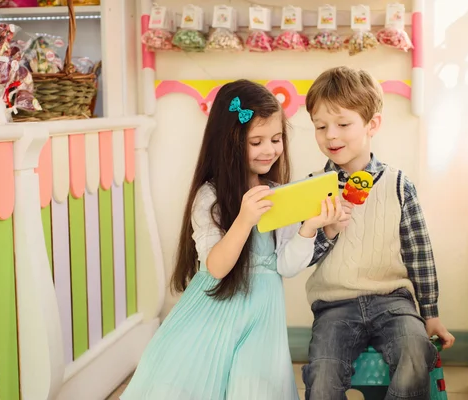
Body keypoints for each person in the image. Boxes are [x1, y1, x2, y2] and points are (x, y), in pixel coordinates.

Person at [121, 79, 345, 400]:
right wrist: (244, 219)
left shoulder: (275, 192)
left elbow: (285, 264)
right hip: (215, 310)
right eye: (256, 142)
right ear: (229, 142)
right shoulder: (210, 196)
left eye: (276, 139)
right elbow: (216, 266)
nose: (269, 149)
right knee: (188, 383)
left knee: (254, 388)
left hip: (261, 316)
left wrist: (310, 227)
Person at [300, 66, 456, 400]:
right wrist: (326, 230)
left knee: (416, 354)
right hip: (334, 306)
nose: (331, 136)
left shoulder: (399, 185)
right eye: (320, 126)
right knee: (323, 374)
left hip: (393, 301)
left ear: (372, 124)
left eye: (343, 124)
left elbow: (419, 252)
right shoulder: (313, 187)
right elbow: (299, 257)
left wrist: (430, 314)